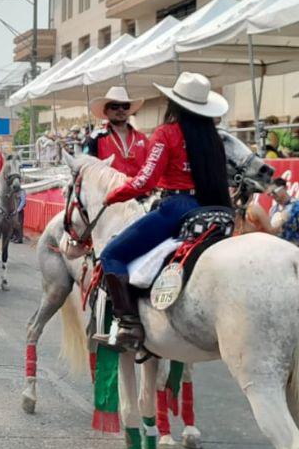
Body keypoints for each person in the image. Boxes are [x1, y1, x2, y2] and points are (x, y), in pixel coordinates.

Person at [97, 73, 232, 351]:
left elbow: (145, 179)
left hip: (177, 207)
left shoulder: (166, 133)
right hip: (213, 208)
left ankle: (128, 324)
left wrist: (112, 196)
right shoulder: (213, 138)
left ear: (175, 104)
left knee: (112, 254)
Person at [84, 86, 147, 174]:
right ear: (106, 111)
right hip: (109, 187)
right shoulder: (95, 138)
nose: (121, 109)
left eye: (125, 106)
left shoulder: (142, 138)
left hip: (139, 187)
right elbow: (87, 169)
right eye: (114, 106)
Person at [267, 177, 299, 252]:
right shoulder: (273, 210)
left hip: (294, 253)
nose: (272, 195)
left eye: (274, 192)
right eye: (269, 194)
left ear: (284, 188)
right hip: (277, 254)